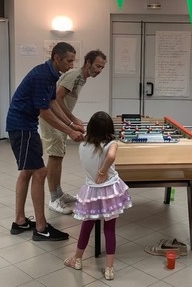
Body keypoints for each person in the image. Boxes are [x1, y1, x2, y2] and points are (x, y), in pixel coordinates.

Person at [6, 42, 85, 241]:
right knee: (40, 172)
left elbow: (52, 103)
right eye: (68, 61)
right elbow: (44, 113)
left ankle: (20, 221)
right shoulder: (42, 76)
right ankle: (41, 228)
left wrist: (71, 123)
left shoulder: (51, 74)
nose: (71, 65)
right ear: (56, 58)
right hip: (22, 127)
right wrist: (69, 131)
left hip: (25, 126)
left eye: (73, 61)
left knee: (27, 172)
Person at [64, 111, 132, 280]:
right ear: (109, 129)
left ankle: (77, 259)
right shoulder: (112, 144)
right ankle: (109, 269)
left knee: (86, 227)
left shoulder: (82, 146)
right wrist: (103, 171)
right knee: (109, 229)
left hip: (92, 191)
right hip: (110, 191)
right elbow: (111, 155)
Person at [39, 49, 107, 214]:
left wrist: (71, 121)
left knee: (59, 156)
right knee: (54, 157)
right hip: (53, 119)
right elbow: (57, 97)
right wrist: (72, 120)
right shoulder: (75, 75)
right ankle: (54, 199)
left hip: (60, 119)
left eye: (102, 67)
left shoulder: (82, 78)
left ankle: (59, 193)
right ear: (88, 62)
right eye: (97, 65)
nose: (99, 70)